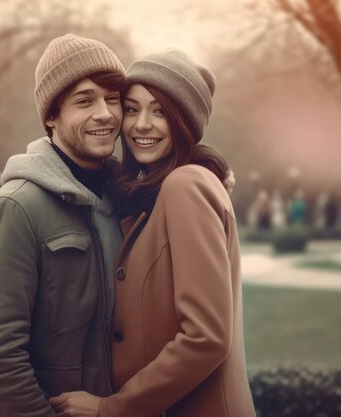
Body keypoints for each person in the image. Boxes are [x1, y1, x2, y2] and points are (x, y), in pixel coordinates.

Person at [50, 50, 256, 417]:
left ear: (184, 123)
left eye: (159, 111)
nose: (141, 124)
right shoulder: (156, 193)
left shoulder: (185, 186)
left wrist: (111, 409)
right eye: (132, 109)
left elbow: (206, 337)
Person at [0, 34, 126, 417]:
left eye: (113, 98)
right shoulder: (15, 209)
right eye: (84, 101)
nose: (105, 113)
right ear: (51, 116)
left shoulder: (125, 200)